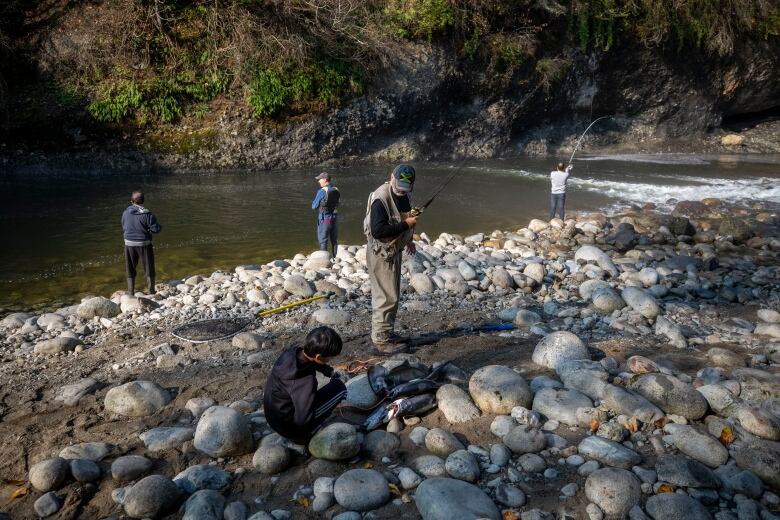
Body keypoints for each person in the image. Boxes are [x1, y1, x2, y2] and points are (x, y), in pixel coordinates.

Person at [363, 164, 418, 354]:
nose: (401, 189)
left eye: (406, 186)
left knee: (393, 295)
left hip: (394, 250)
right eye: (399, 184)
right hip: (380, 254)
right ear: (391, 177)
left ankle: (388, 333)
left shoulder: (404, 195)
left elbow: (404, 217)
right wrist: (405, 225)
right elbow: (378, 231)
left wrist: (408, 238)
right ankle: (380, 341)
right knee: (385, 297)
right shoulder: (380, 198)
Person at [263, 326, 348, 444]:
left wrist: (328, 371)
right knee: (340, 388)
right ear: (318, 357)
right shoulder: (305, 381)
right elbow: (303, 418)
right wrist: (303, 431)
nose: (330, 359)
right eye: (329, 357)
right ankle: (304, 436)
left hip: (273, 416)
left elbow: (311, 362)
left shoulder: (292, 352)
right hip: (288, 427)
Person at [121, 191, 161, 295]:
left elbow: (124, 226)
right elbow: (156, 230)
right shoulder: (147, 214)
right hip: (144, 244)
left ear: (131, 201)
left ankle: (130, 292)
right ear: (143, 201)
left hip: (128, 244)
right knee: (149, 267)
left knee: (130, 268)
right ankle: (151, 291)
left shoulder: (125, 212)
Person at [311, 172, 340, 256]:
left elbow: (314, 206)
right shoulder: (336, 190)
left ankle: (324, 259)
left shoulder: (322, 191)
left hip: (324, 219)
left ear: (325, 180)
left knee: (323, 241)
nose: (318, 181)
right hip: (334, 219)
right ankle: (335, 258)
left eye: (320, 179)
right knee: (334, 241)